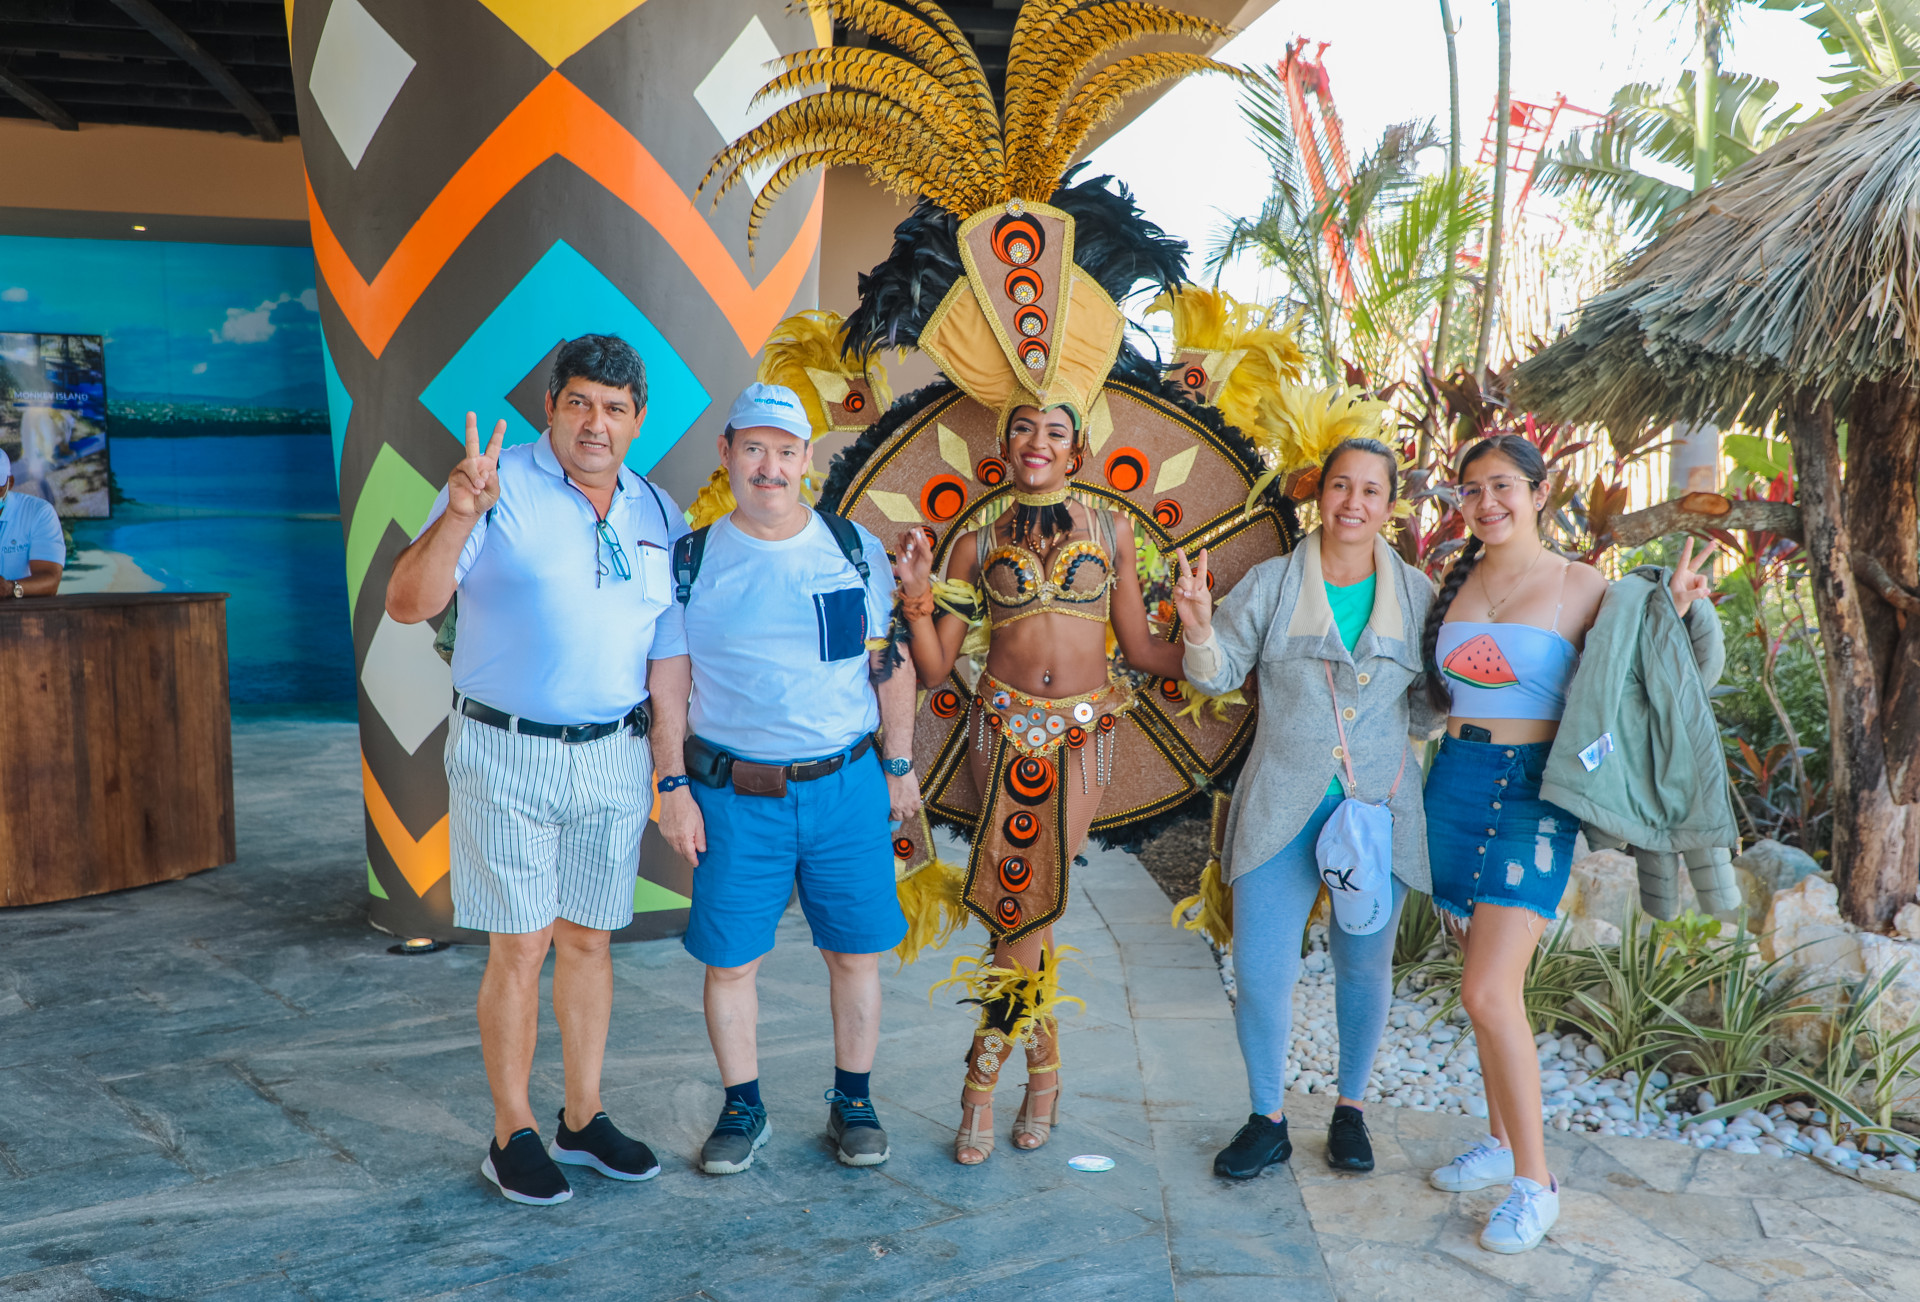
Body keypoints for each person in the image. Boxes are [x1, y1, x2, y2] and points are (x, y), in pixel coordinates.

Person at [385, 335, 683, 1206]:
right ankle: (510, 1130)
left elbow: (667, 657)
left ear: (638, 421)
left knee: (589, 940)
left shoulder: (656, 510)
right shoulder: (494, 484)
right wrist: (458, 514)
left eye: (615, 409)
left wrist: (668, 777)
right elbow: (407, 603)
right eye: (579, 402)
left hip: (614, 754)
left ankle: (581, 1120)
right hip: (506, 751)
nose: (596, 423)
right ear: (549, 406)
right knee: (521, 946)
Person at [1418, 434, 1709, 1253]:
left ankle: (1536, 1183)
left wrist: (1679, 609)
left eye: (1502, 485)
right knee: (1477, 982)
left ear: (1540, 492)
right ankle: (1500, 1141)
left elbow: (1644, 672)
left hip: (1533, 794)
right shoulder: (1452, 584)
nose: (1486, 502)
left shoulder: (1582, 585)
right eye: (1471, 490)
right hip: (1453, 785)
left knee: (1488, 992)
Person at [893, 401, 1189, 1165]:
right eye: (1024, 427)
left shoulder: (1112, 530)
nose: (1038, 442)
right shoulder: (976, 541)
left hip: (1085, 734)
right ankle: (1044, 1077)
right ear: (1004, 441)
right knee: (1027, 907)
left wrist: (1208, 642)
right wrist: (918, 594)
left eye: (1055, 431)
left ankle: (980, 1083)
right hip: (999, 730)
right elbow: (935, 667)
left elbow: (1141, 650)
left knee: (1022, 908)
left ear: (1077, 450)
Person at [651, 382, 919, 1175]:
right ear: (728, 453)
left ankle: (854, 1100)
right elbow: (668, 686)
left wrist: (900, 763)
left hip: (846, 788)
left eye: (785, 451)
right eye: (753, 449)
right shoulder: (692, 560)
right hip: (736, 798)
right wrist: (671, 788)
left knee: (855, 955)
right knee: (731, 961)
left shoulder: (853, 547)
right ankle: (744, 1107)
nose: (769, 467)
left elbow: (888, 663)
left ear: (807, 460)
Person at [1177, 438, 1442, 1180]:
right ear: (1318, 494)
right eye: (1340, 486)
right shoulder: (1271, 582)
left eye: (1370, 490)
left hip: (1375, 816)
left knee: (1364, 965)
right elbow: (1216, 675)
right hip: (1278, 810)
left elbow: (1426, 712)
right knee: (1260, 973)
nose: (1352, 503)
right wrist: (1197, 624)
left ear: (1390, 506)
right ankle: (1267, 1119)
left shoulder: (1418, 594)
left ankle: (1350, 1110)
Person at [0, 448, 65, 598]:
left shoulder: (38, 513)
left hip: (23, 611)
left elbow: (50, 581)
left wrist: (10, 588)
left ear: (10, 482)